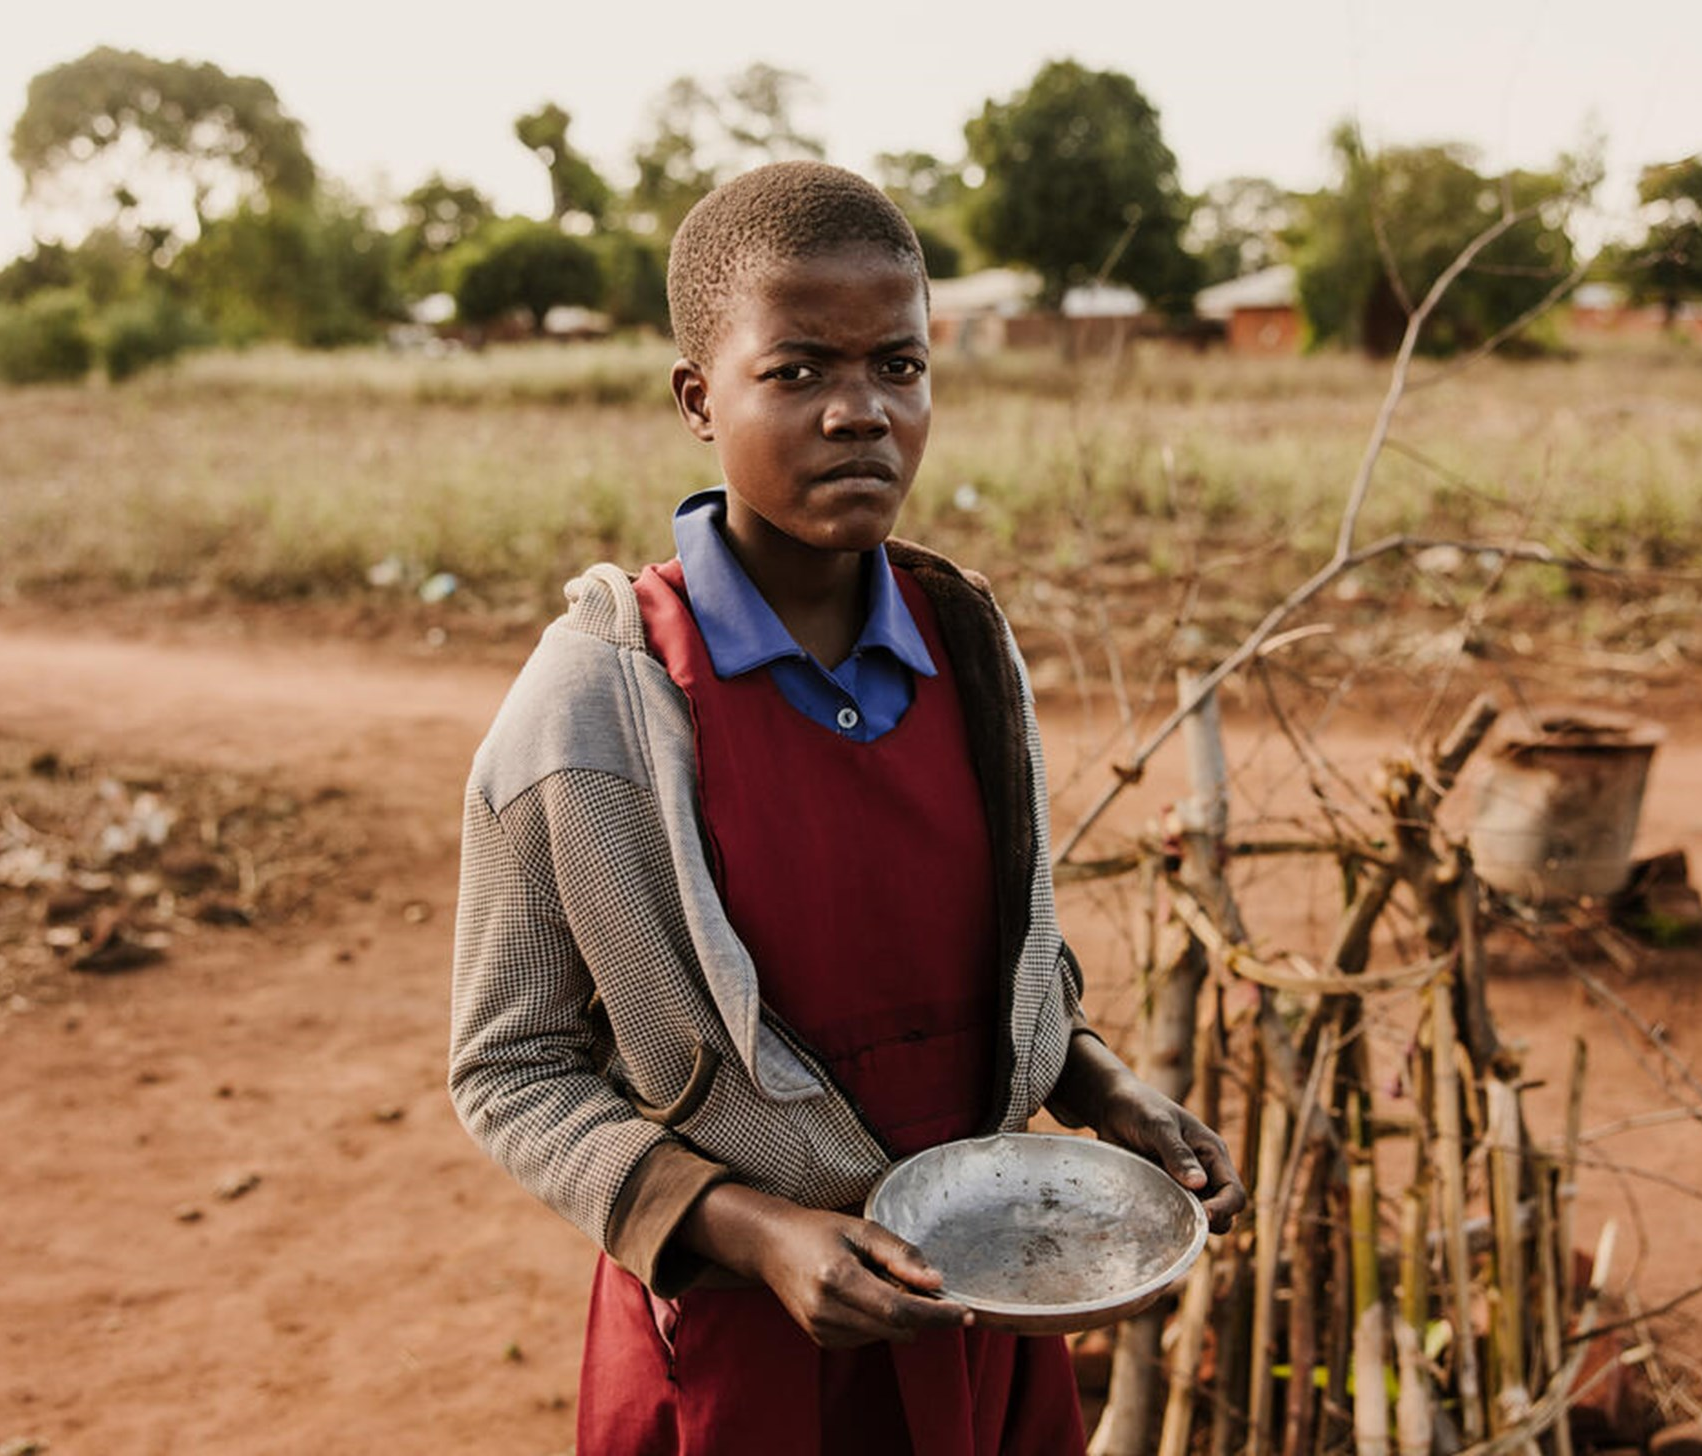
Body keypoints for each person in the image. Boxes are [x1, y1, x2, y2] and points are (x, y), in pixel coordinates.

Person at [449, 160, 1246, 1456]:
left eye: (900, 367)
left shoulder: (967, 651)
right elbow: (509, 1066)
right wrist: (754, 1231)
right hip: (745, 1351)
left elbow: (1002, 967)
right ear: (699, 398)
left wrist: (1099, 1087)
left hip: (980, 1313)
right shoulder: (594, 709)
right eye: (800, 371)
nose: (860, 413)